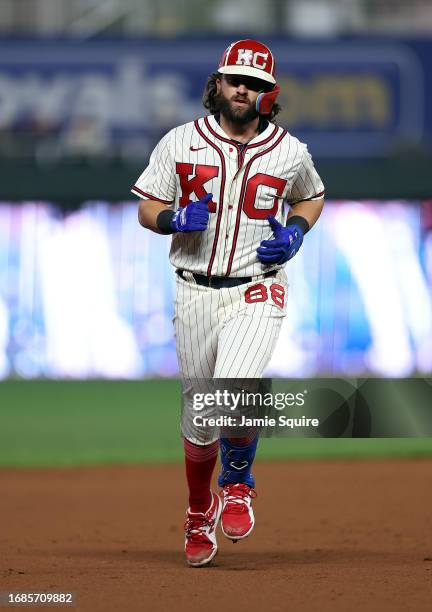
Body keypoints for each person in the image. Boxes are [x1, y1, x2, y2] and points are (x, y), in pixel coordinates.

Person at [132, 39, 325, 567]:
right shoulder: (179, 142)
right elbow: (147, 207)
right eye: (236, 79)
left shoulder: (290, 150)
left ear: (269, 94)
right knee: (199, 418)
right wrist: (171, 220)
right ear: (217, 83)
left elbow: (312, 194)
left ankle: (237, 482)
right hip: (193, 288)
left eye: (256, 84)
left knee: (235, 390)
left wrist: (298, 231)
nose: (244, 88)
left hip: (256, 285)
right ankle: (199, 512)